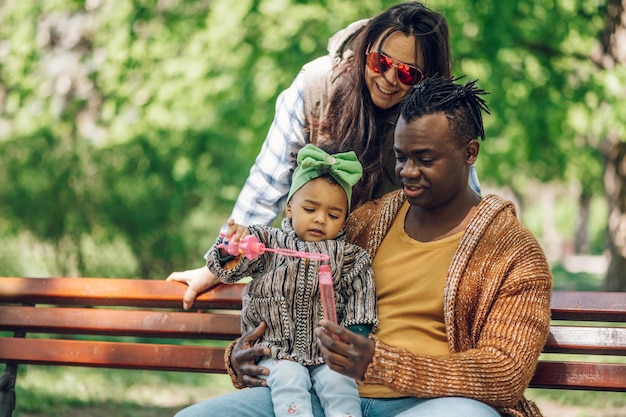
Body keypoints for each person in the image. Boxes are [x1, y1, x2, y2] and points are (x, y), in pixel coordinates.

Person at [174, 77, 552, 417]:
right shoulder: (366, 223)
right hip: (329, 395)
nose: (407, 171)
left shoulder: (513, 252)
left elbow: (504, 373)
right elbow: (290, 280)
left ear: (470, 153)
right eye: (401, 157)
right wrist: (243, 357)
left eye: (425, 159)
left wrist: (380, 362)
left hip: (432, 406)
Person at [166, 1, 482, 310]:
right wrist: (219, 261)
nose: (388, 79)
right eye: (380, 63)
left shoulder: (438, 117)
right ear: (365, 50)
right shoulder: (316, 85)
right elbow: (267, 182)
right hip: (308, 275)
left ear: (427, 78)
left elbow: (460, 202)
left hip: (390, 284)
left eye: (407, 74)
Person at [206, 143, 378, 417]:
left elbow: (361, 299)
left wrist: (355, 336)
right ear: (289, 208)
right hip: (276, 351)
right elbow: (228, 269)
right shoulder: (266, 242)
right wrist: (232, 248)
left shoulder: (350, 257)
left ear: (344, 220)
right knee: (291, 381)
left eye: (333, 215)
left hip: (328, 355)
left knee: (341, 386)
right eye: (310, 209)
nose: (320, 219)